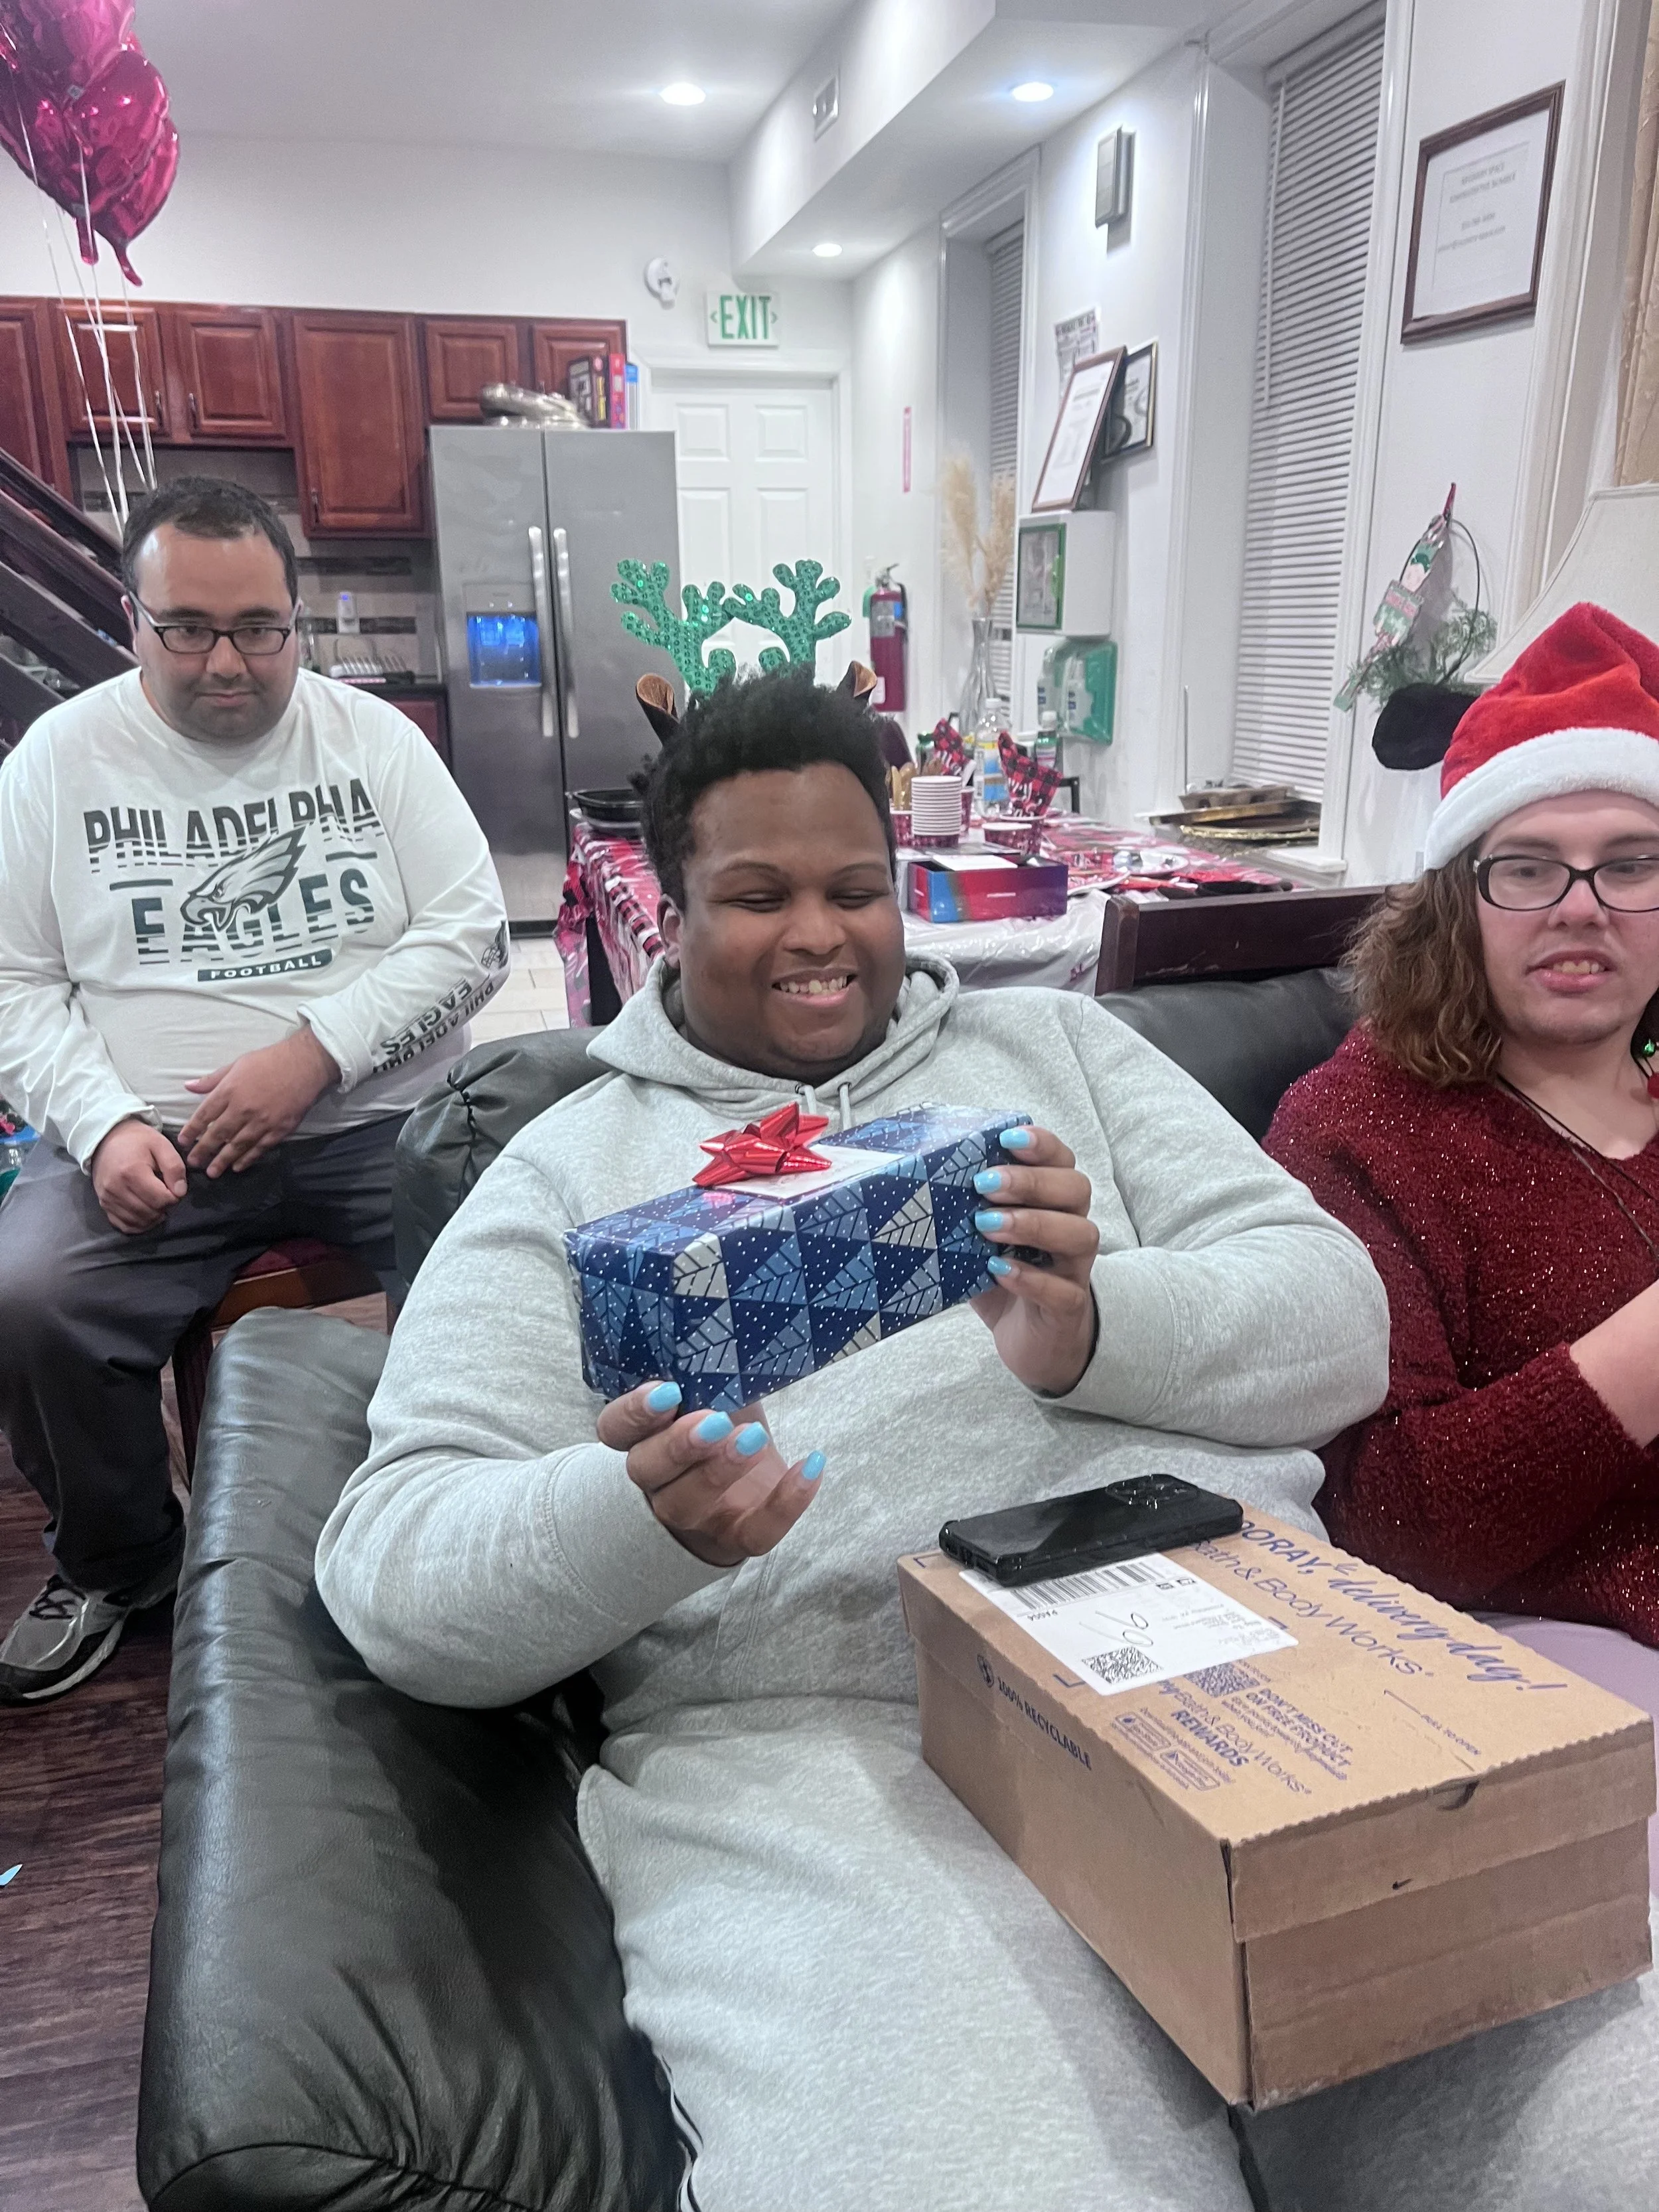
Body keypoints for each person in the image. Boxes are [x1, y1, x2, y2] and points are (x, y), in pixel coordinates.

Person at [315, 662, 1659, 2212]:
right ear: (662, 918)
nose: (817, 935)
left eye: (854, 889)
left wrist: (1092, 1327)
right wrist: (636, 1515)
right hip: (837, 1746)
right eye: (754, 895)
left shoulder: (1068, 1059)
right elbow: (398, 1568)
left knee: (1603, 2139)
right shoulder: (564, 1171)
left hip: (1259, 1657)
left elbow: (1333, 1325)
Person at [0, 475, 507, 1702]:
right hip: (151, 1146)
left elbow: (474, 933)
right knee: (29, 1296)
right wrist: (101, 1121)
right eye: (189, 628)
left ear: (297, 619)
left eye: (260, 629)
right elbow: (15, 981)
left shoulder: (373, 740)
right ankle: (123, 1561)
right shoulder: (57, 762)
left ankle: (482, 1512)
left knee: (515, 1241)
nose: (227, 662)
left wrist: (315, 1053)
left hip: (376, 1122)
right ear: (134, 621)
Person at [1267, 602, 1659, 1650]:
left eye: (1631, 864)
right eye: (1528, 866)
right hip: (1541, 1675)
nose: (1583, 907)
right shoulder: (1359, 1133)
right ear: (1457, 903)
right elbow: (1380, 1529)